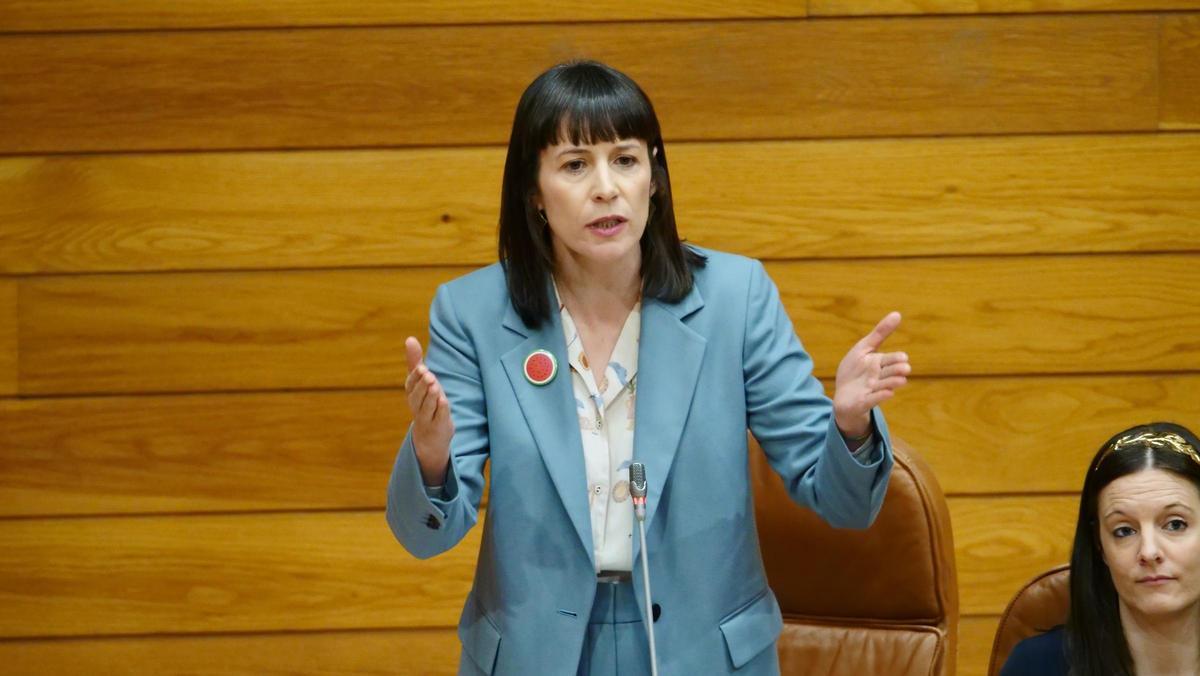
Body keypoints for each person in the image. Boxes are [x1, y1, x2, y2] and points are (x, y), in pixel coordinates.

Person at [386, 60, 909, 675]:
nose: (605, 187)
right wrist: (430, 456)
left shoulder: (735, 300)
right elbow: (427, 536)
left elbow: (842, 503)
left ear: (654, 178)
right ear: (533, 189)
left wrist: (848, 427)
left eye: (626, 160)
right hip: (536, 654)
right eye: (576, 164)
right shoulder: (472, 313)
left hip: (702, 653)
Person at [1001, 422, 1200, 676]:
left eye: (1175, 524)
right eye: (1124, 531)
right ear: (1100, 546)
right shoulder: (1035, 666)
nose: (1149, 552)